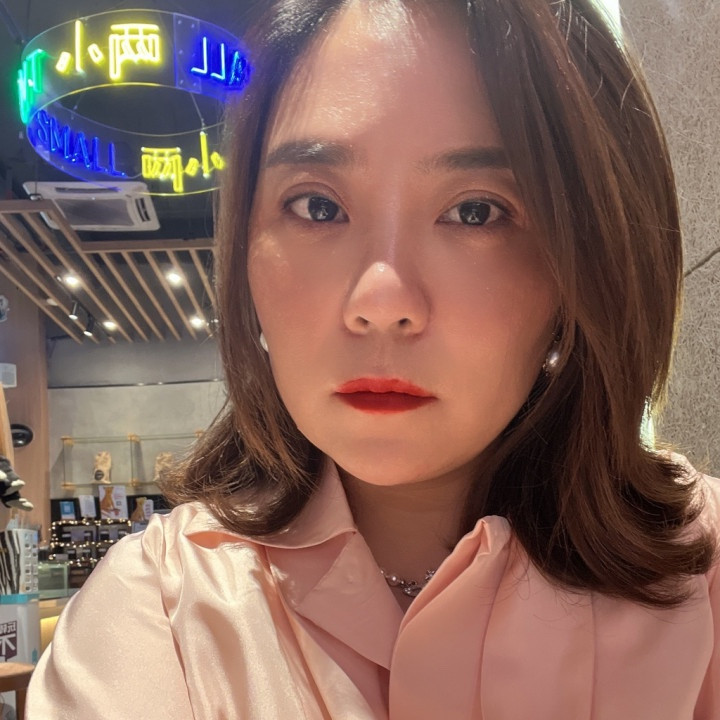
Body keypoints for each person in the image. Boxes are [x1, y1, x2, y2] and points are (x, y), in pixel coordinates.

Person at [27, 0, 720, 718]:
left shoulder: (703, 580)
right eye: (318, 207)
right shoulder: (156, 614)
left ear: (584, 265)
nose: (381, 301)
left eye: (476, 211)